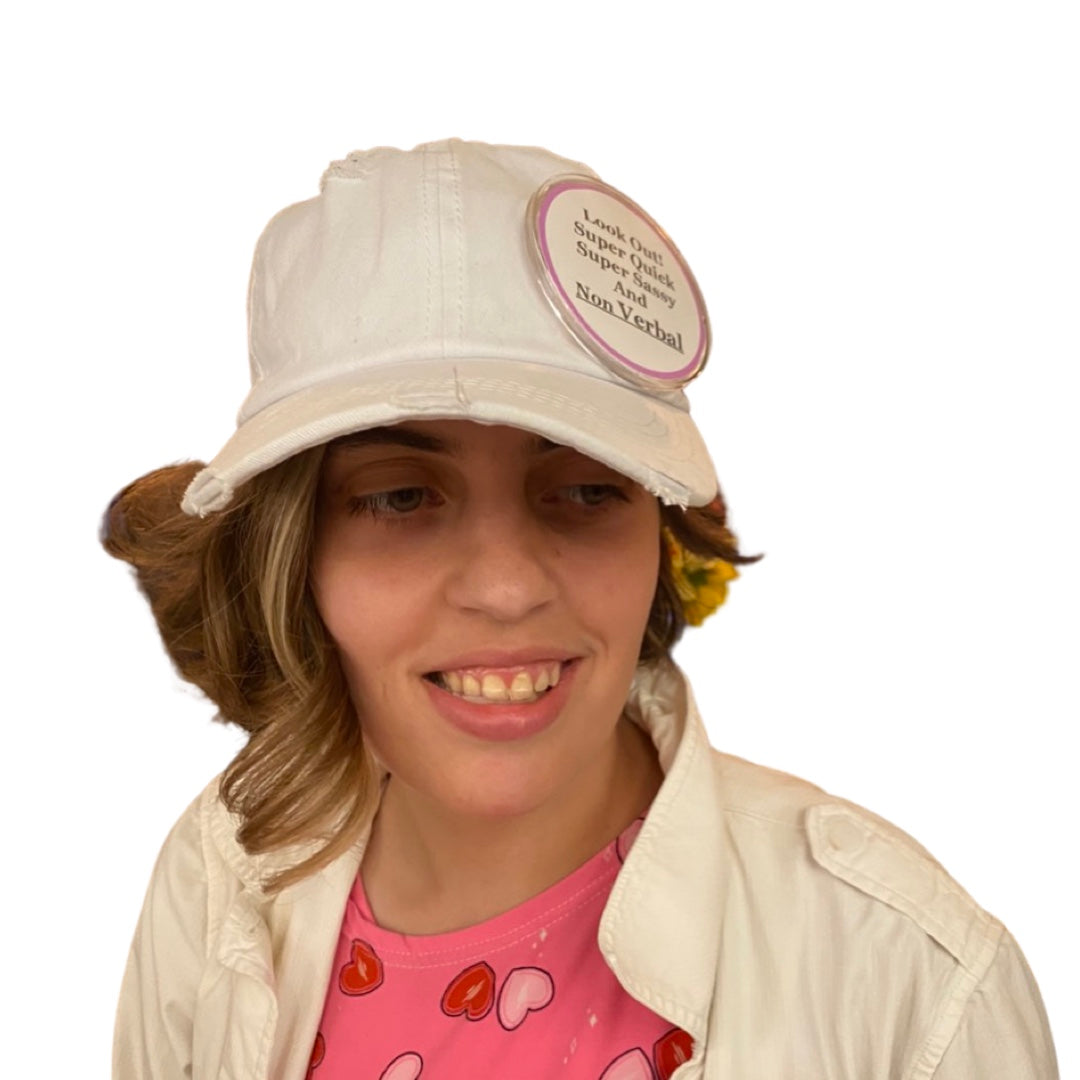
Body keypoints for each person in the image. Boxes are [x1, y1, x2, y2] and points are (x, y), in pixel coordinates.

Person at [104, 139, 1058, 1079]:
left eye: (588, 490)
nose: (509, 586)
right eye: (400, 498)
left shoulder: (907, 983)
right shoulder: (220, 878)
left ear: (664, 538)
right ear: (296, 557)